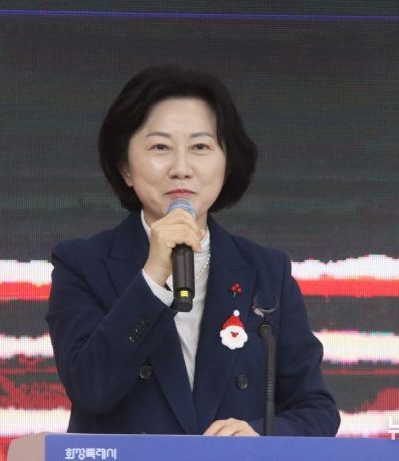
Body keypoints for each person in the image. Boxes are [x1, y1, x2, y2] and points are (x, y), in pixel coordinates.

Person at [46, 66, 340, 436]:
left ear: (226, 163)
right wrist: (153, 278)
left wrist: (259, 437)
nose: (181, 169)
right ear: (125, 168)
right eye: (160, 147)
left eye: (200, 147)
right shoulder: (82, 264)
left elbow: (316, 410)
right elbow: (91, 388)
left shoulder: (267, 271)